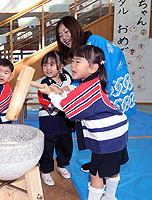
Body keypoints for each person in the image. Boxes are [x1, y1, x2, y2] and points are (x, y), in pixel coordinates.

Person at [38, 45, 129, 200]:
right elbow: (72, 93)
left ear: (93, 68)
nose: (72, 65)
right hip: (118, 132)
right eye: (72, 61)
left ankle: (102, 197)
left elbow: (67, 107)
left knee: (96, 174)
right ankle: (110, 196)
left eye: (78, 61)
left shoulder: (87, 89)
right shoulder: (91, 83)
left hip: (107, 137)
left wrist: (50, 94)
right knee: (112, 169)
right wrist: (61, 92)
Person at [55, 16, 136, 172]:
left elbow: (106, 68)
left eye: (66, 31)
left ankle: (105, 164)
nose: (64, 37)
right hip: (99, 90)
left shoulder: (94, 41)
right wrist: (70, 88)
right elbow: (80, 78)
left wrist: (80, 91)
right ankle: (110, 160)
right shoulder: (79, 50)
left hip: (110, 89)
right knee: (99, 126)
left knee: (108, 127)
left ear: (75, 28)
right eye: (60, 35)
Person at [37, 51, 75, 186]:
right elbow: (44, 100)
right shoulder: (44, 83)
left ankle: (62, 164)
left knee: (65, 142)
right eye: (45, 65)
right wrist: (57, 100)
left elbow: (74, 90)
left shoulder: (68, 78)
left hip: (65, 117)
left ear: (61, 66)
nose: (48, 68)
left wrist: (65, 91)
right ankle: (46, 170)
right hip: (49, 117)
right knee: (48, 144)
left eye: (52, 64)